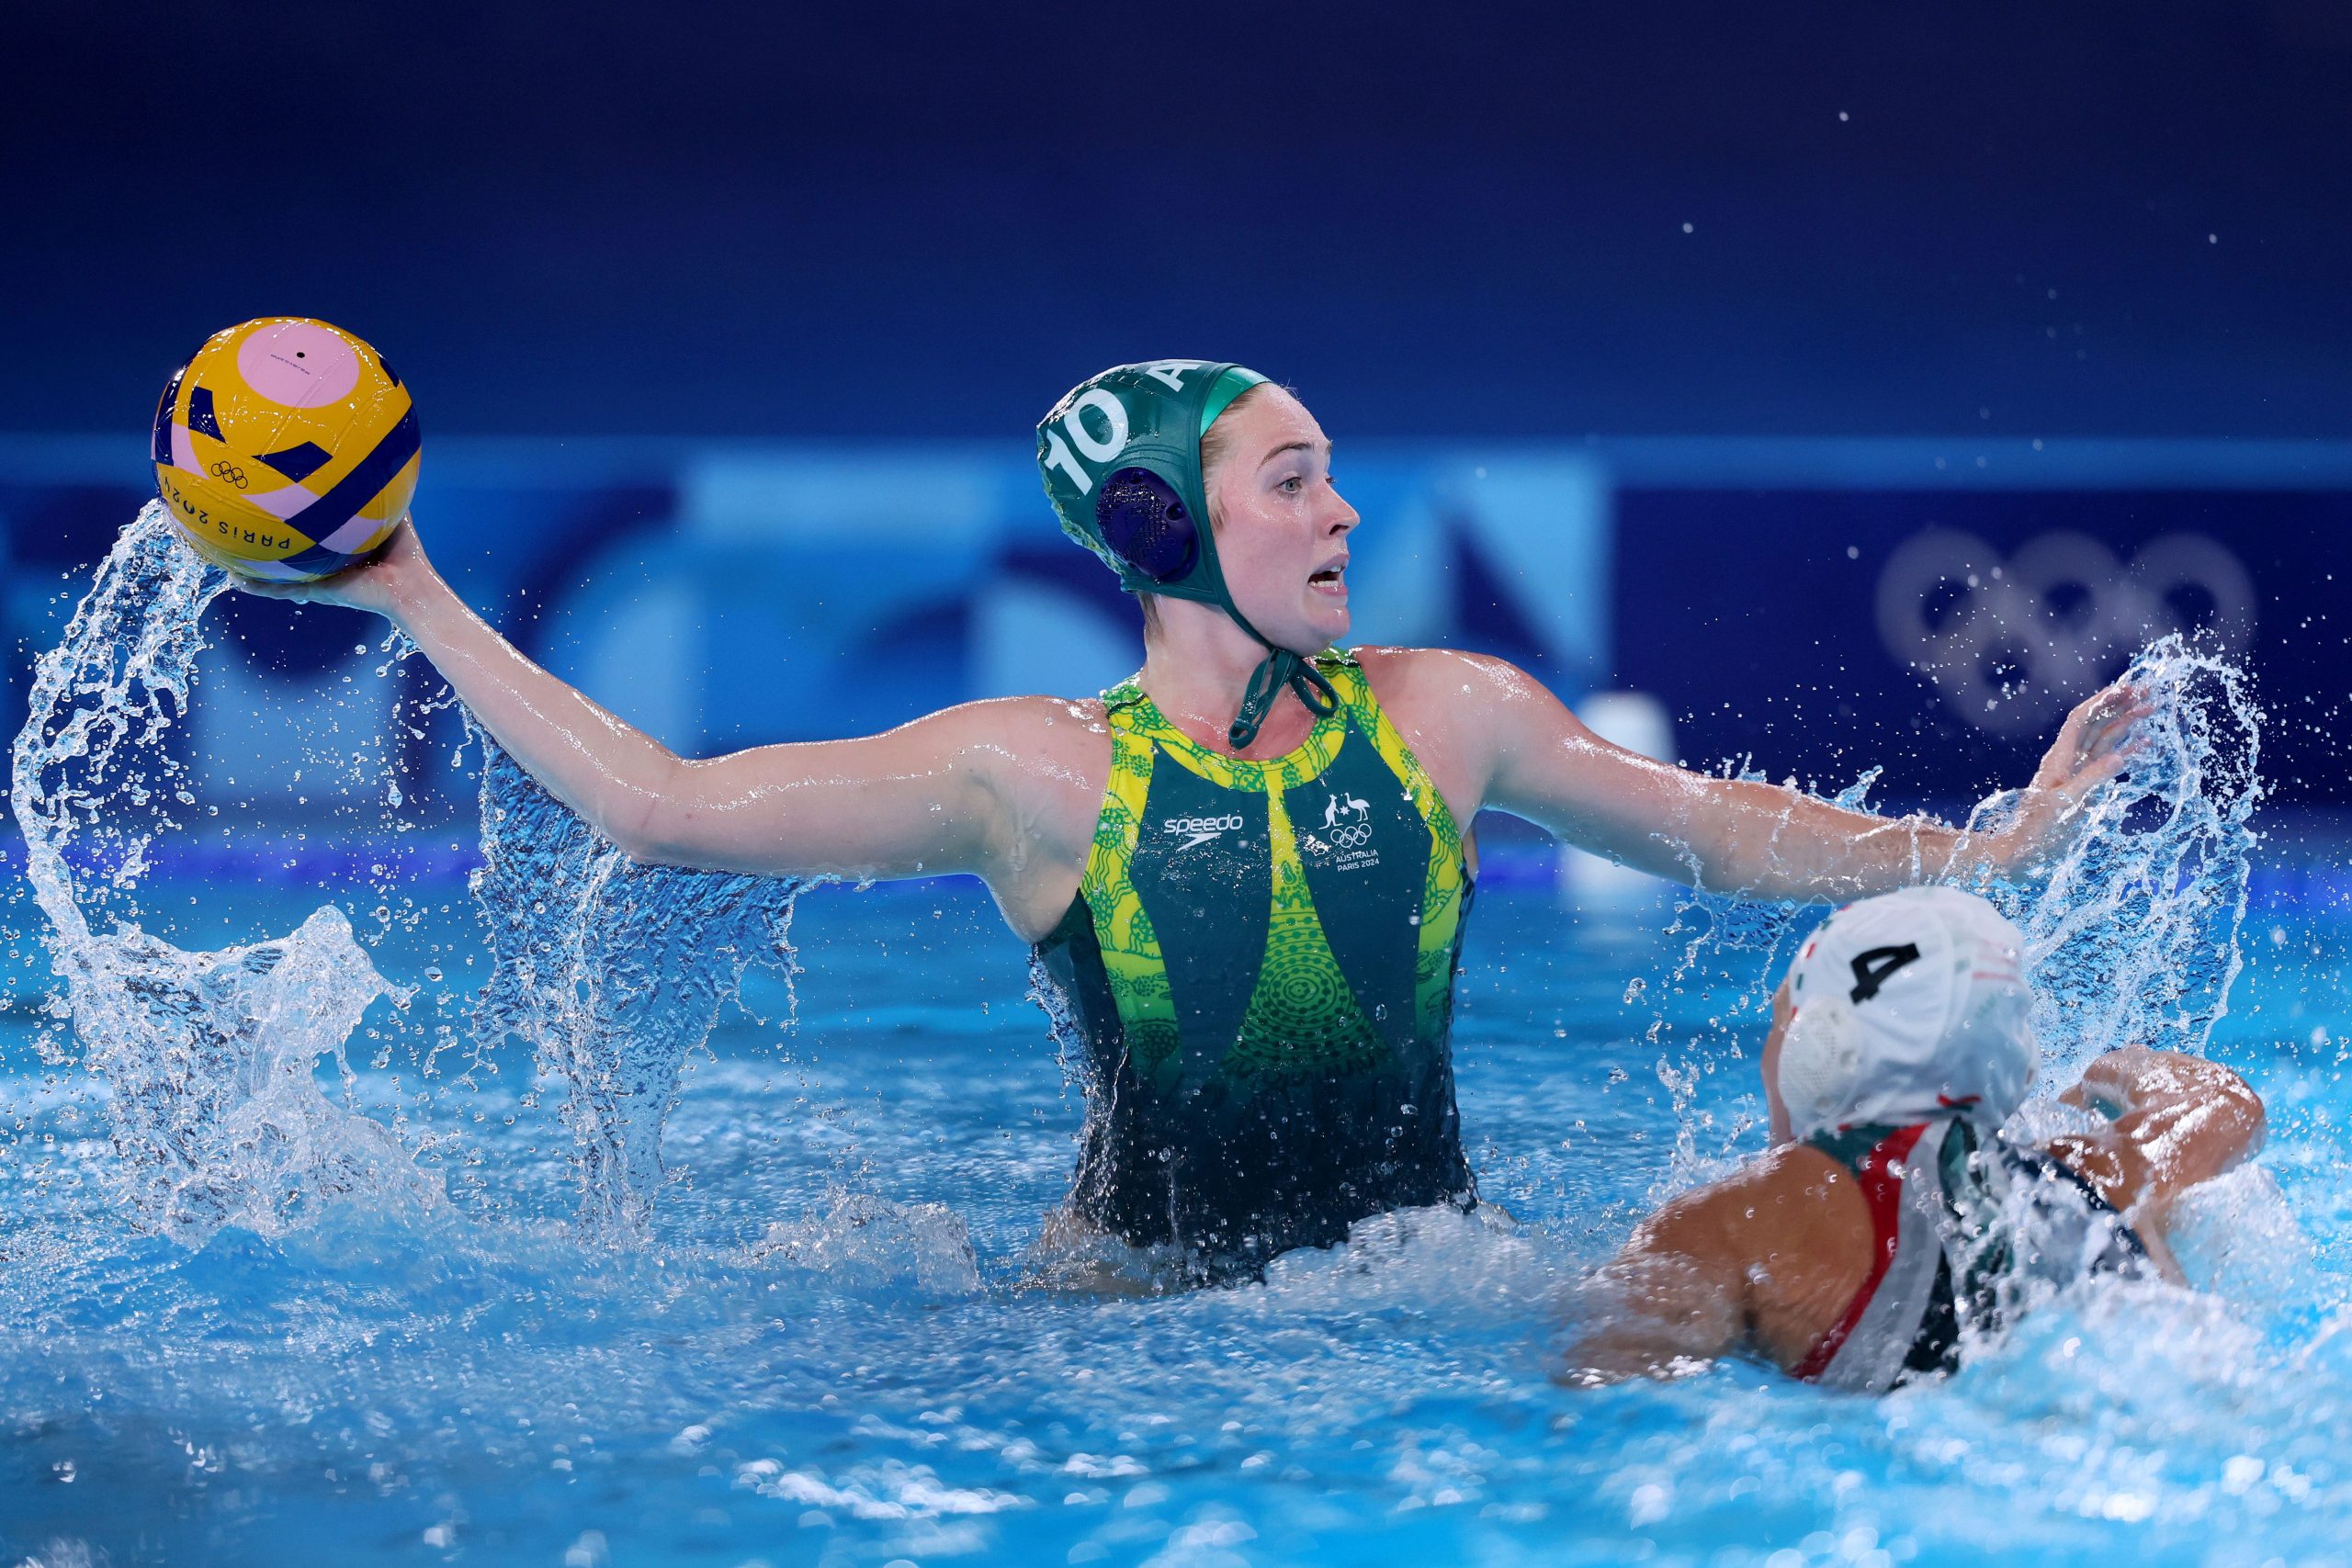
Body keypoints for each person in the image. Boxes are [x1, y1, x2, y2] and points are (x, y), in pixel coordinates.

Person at [251, 359, 2145, 1282]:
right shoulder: (1033, 775)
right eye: (1293, 482)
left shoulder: (1444, 714)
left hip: (1426, 1286)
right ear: (1163, 527)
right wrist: (412, 589)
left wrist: (1989, 852)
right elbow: (654, 807)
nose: (1339, 517)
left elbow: (1710, 833)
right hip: (1116, 1332)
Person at [1560, 886, 2266, 1391]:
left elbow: (1605, 1395)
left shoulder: (1733, 1221)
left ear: (1820, 1047)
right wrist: (2113, 1067)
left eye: (1782, 1020)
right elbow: (2223, 1101)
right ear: (2013, 1064)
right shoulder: (2106, 1175)